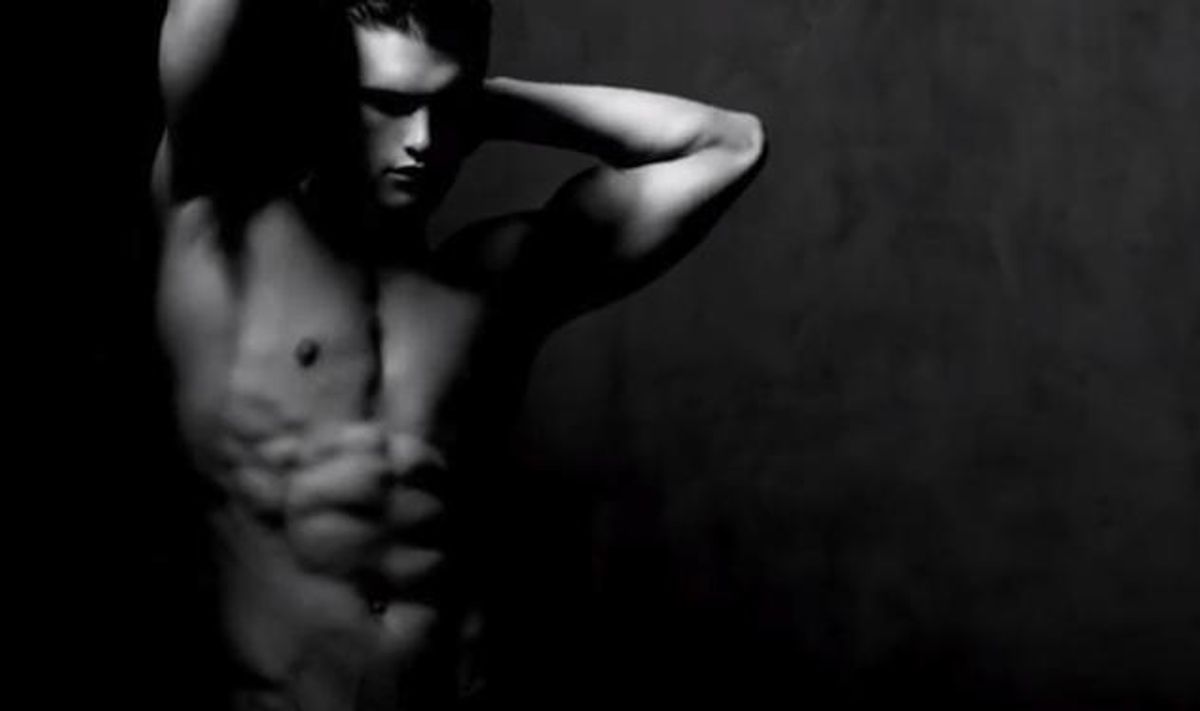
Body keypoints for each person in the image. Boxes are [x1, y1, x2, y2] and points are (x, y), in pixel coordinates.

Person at [152, 0, 767, 707]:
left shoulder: (493, 285)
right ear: (324, 93)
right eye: (391, 103)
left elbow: (733, 144)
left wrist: (487, 105)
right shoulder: (220, 232)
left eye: (447, 111)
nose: (424, 140)